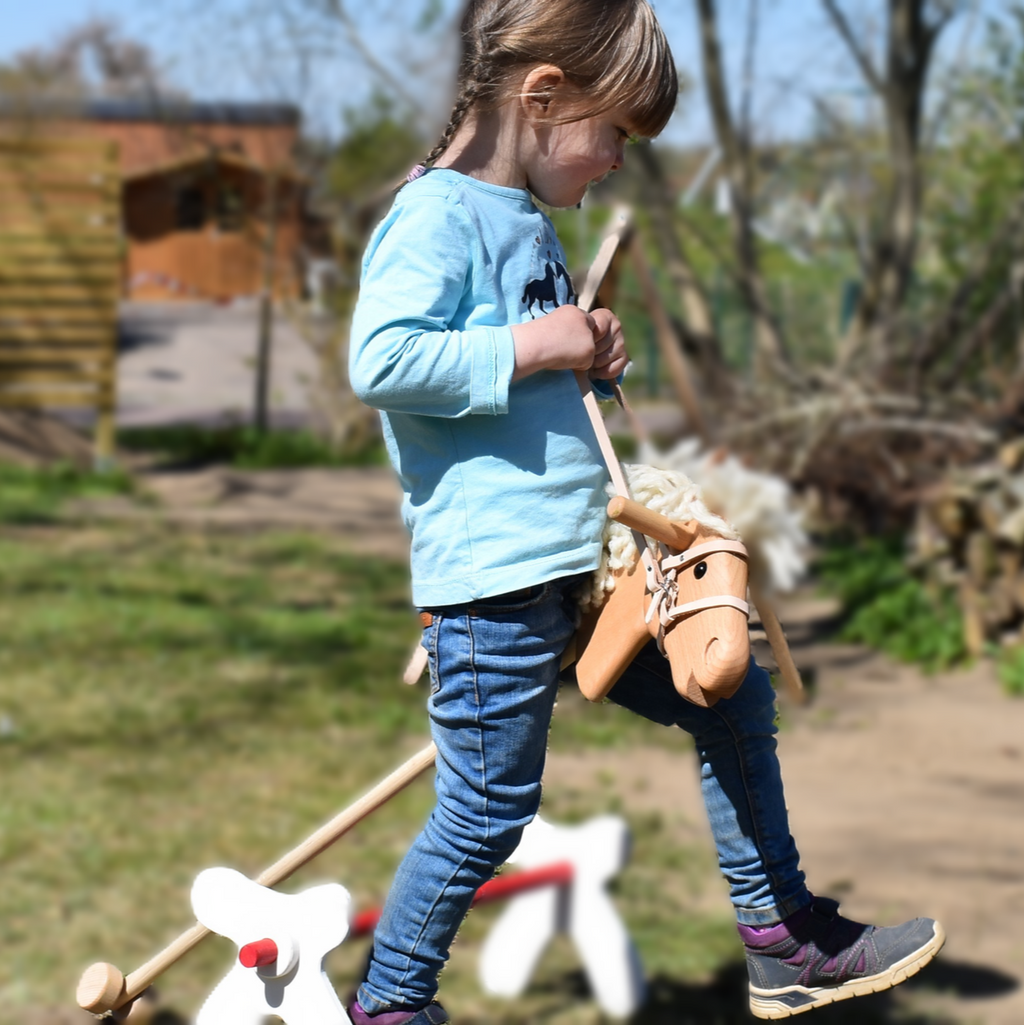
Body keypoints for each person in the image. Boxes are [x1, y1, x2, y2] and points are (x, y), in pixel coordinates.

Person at [346, 1, 945, 1021]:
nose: (621, 159)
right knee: (487, 808)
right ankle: (392, 1002)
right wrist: (543, 344)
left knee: (731, 695)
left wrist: (590, 345)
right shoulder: (433, 214)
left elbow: (531, 363)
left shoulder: (522, 217)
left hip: (577, 565)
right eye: (617, 132)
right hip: (492, 580)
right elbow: (383, 359)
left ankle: (781, 937)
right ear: (542, 97)